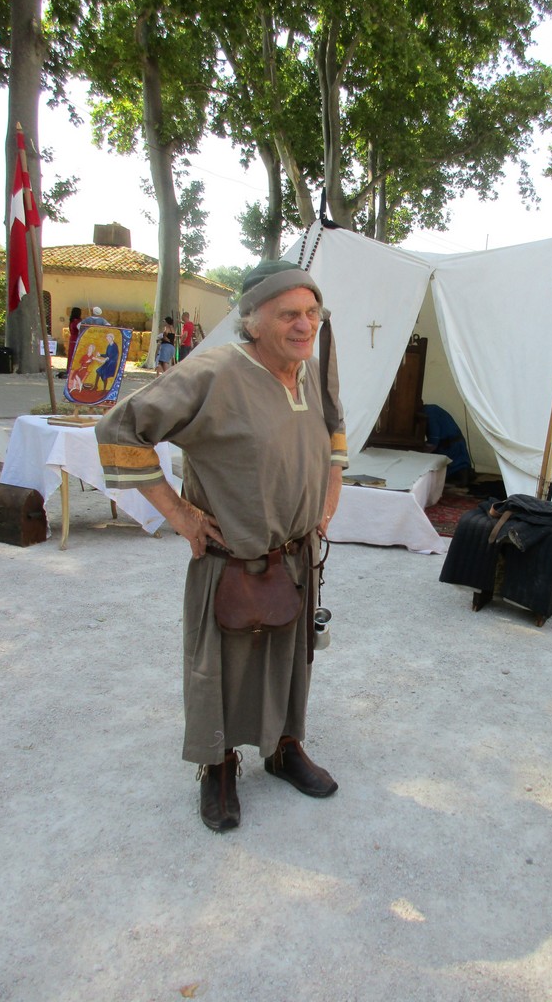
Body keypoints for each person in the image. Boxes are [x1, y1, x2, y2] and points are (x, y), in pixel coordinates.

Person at [95, 260, 348, 832]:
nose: (305, 325)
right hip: (232, 561)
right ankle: (218, 765)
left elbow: (335, 426)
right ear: (252, 320)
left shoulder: (313, 369)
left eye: (312, 312)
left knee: (291, 661)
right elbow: (119, 430)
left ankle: (283, 747)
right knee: (221, 668)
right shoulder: (214, 373)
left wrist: (328, 497)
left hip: (297, 557)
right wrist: (181, 515)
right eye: (288, 314)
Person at [59, 306, 82, 379]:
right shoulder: (77, 322)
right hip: (76, 340)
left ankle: (69, 370)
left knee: (71, 355)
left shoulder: (72, 321)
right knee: (75, 356)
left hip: (72, 340)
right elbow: (81, 328)